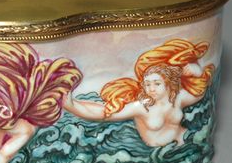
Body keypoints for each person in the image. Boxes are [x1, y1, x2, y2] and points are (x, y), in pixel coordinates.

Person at [64, 39, 214, 147]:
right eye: (147, 84)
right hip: (159, 158)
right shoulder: (142, 106)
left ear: (168, 83)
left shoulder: (178, 98)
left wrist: (197, 71)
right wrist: (72, 106)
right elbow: (104, 113)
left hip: (185, 146)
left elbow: (201, 92)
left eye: (157, 83)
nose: (151, 88)